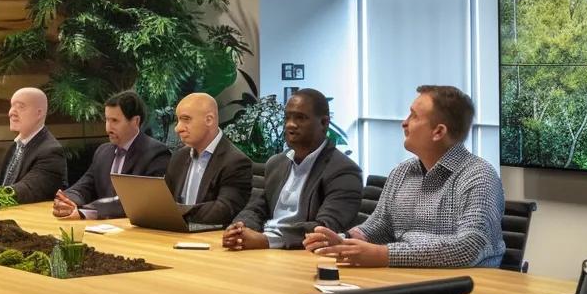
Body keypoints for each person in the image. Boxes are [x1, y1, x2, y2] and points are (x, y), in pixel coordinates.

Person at [303, 85, 505, 294]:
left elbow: (469, 246)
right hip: (403, 290)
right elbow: (379, 226)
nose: (404, 122)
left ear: (439, 132)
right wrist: (343, 241)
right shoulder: (402, 172)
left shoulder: (478, 176)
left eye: (414, 116)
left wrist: (385, 255)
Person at [223, 88, 363, 250]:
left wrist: (268, 240)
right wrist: (239, 229)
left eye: (300, 118)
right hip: (264, 249)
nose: (290, 124)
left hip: (300, 253)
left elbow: (325, 228)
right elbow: (257, 208)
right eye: (287, 117)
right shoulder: (277, 163)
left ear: (324, 123)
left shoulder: (344, 171)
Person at [52, 91, 172, 220]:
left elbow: (136, 202)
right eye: (107, 120)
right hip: (103, 228)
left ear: (135, 121)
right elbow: (84, 187)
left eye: (115, 121)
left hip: (135, 231)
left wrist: (85, 212)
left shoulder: (156, 154)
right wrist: (66, 200)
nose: (108, 128)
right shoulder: (103, 152)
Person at [161, 92, 252, 226]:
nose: (178, 128)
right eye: (178, 120)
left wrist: (178, 212)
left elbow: (222, 211)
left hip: (210, 238)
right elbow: (164, 202)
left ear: (209, 120)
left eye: (186, 119)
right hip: (175, 233)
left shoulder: (236, 162)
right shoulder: (179, 157)